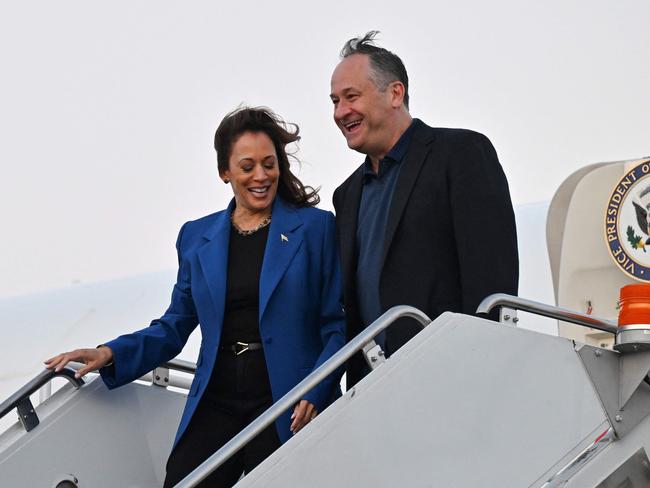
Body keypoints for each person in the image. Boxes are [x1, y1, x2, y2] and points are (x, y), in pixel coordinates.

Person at [45, 107, 346, 487]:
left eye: (269, 164)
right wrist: (110, 353)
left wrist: (315, 391)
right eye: (247, 166)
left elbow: (335, 326)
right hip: (217, 395)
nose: (261, 176)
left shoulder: (316, 228)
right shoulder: (195, 237)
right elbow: (174, 326)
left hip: (286, 397)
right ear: (225, 172)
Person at [329, 31, 519, 388]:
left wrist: (480, 371)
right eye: (335, 101)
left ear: (395, 93)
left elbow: (492, 282)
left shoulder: (461, 154)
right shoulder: (346, 195)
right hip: (372, 394)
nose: (341, 112)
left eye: (351, 97)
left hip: (453, 378)